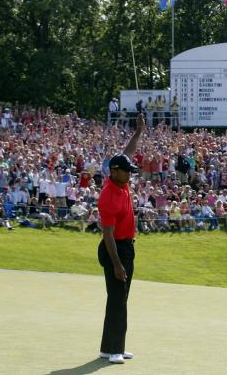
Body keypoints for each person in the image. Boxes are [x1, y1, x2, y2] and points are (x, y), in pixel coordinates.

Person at [97, 113, 145, 364]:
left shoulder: (120, 182)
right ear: (114, 172)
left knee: (120, 298)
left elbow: (127, 152)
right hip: (115, 248)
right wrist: (117, 264)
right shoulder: (108, 195)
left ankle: (111, 348)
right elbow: (107, 234)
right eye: (127, 172)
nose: (130, 175)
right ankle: (114, 350)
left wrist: (138, 132)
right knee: (117, 299)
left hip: (126, 247)